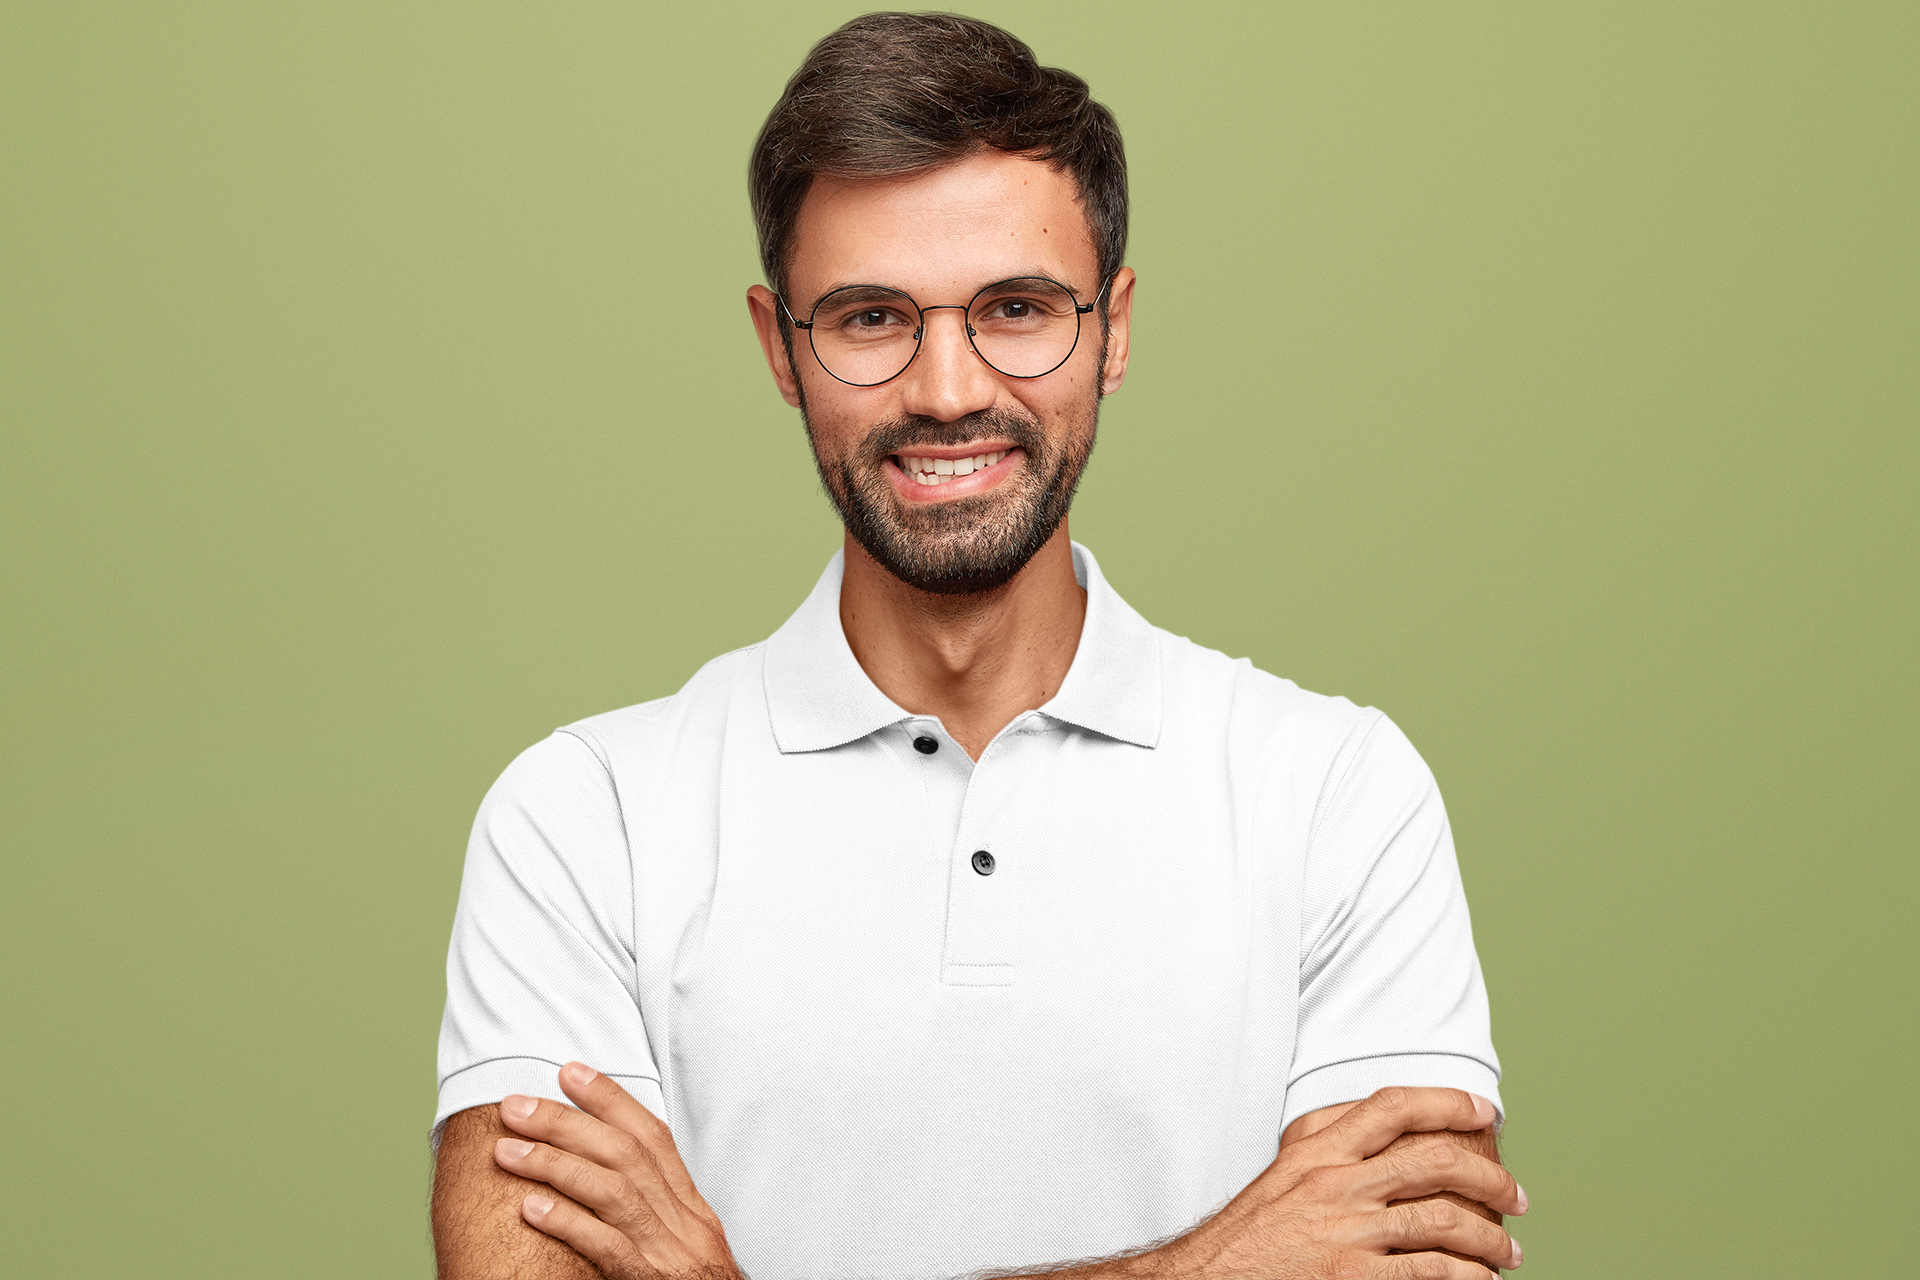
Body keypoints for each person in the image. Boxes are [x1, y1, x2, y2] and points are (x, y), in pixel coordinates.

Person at [429, 13, 1524, 1279]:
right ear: (779, 346)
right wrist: (1218, 1261)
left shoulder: (1338, 794)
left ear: (1113, 327)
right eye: (871, 317)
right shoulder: (584, 819)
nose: (948, 388)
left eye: (1015, 308)